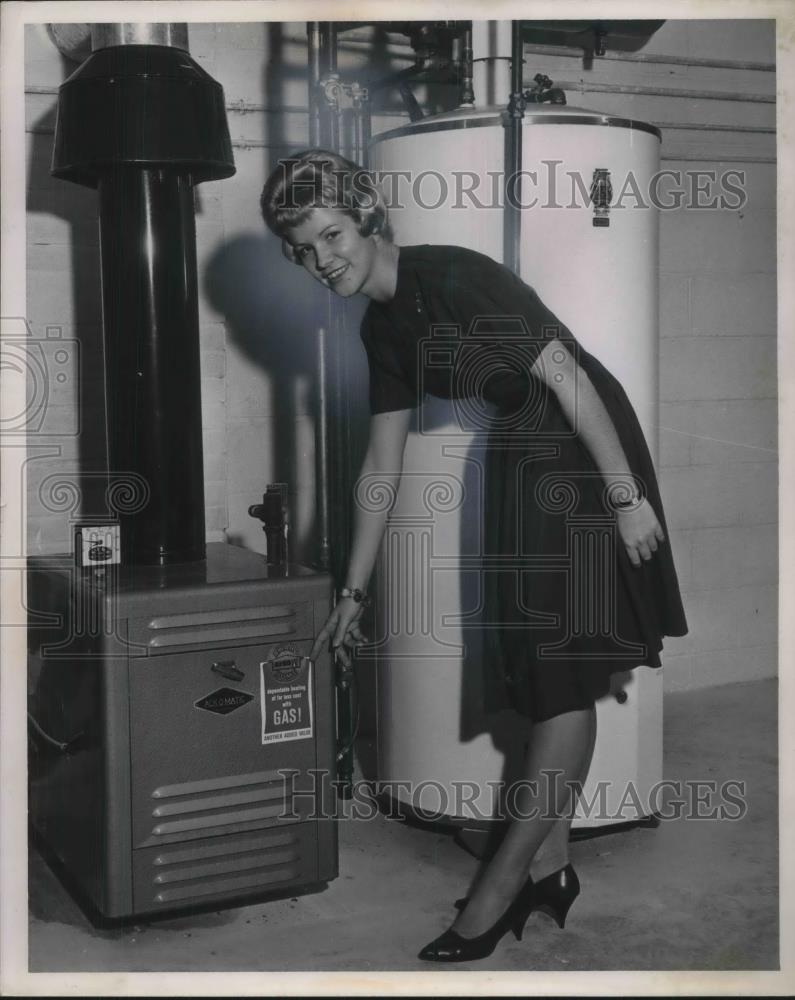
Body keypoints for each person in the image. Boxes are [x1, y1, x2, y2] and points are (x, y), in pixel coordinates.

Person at [260, 149, 688, 963]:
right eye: (304, 250)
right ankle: (551, 865)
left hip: (579, 451)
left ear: (369, 215)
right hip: (521, 456)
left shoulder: (453, 277)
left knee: (560, 675)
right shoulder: (380, 324)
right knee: (541, 667)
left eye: (333, 235)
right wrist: (353, 593)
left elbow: (568, 376)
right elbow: (380, 468)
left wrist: (626, 497)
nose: (323, 261)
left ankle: (500, 890)